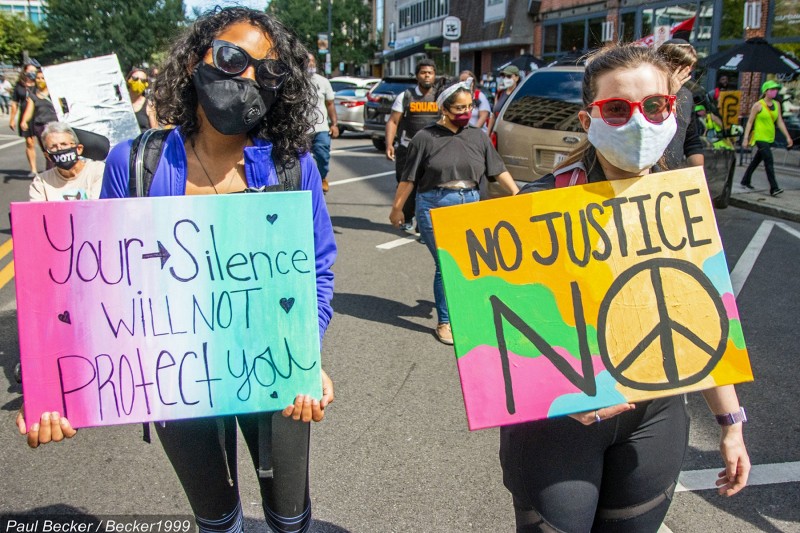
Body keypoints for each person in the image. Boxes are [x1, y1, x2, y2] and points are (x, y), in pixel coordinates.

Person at [17, 8, 337, 533]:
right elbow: (95, 286)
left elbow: (317, 272)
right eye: (233, 58)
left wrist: (307, 352)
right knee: (215, 518)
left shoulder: (290, 166)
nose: (249, 78)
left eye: (270, 72)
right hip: (172, 380)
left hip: (276, 373)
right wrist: (57, 386)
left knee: (290, 516)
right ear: (195, 62)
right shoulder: (134, 163)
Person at [509, 44, 750, 532]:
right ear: (587, 119)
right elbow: (501, 335)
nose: (639, 121)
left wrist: (731, 424)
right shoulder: (539, 204)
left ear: (671, 111)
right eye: (617, 109)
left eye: (654, 106)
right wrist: (562, 391)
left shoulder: (684, 204)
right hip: (558, 429)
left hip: (656, 421)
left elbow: (701, 322)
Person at [389, 80, 519, 344]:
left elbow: (497, 169)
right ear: (444, 110)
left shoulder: (477, 136)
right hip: (435, 205)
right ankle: (445, 322)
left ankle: (466, 314)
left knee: (470, 265)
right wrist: (397, 209)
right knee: (446, 265)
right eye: (459, 107)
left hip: (471, 202)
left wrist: (517, 195)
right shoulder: (425, 138)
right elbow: (408, 179)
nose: (466, 112)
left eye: (469, 106)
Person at [385, 59, 438, 232]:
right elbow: (393, 121)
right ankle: (407, 217)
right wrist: (389, 144)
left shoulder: (440, 97)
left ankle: (423, 226)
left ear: (434, 75)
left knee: (428, 187)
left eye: (430, 72)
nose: (427, 75)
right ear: (417, 76)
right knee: (405, 184)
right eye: (423, 72)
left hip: (433, 150)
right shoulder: (406, 96)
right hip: (408, 149)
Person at [741, 79, 794, 196]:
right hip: (760, 138)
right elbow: (750, 122)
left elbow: (779, 121)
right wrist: (745, 138)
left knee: (756, 160)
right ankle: (774, 188)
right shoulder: (758, 105)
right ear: (766, 91)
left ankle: (745, 180)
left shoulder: (777, 104)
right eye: (772, 90)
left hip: (770, 137)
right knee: (769, 161)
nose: (775, 92)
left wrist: (788, 137)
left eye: (776, 90)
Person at [657, 39, 704, 169]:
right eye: (681, 69)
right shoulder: (644, 91)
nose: (685, 75)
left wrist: (698, 176)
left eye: (689, 69)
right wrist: (666, 93)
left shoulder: (686, 95)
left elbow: (691, 139)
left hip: (671, 175)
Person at [29, 121, 105, 201]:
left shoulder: (98, 171)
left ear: (79, 149)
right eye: (53, 147)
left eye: (64, 144)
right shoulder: (41, 182)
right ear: (47, 156)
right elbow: (36, 211)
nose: (59, 149)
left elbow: (96, 207)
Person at [307, 53, 339, 193]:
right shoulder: (295, 80)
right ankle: (306, 183)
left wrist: (334, 124)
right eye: (307, 61)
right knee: (301, 160)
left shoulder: (323, 81)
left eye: (312, 61)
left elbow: (330, 103)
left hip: (321, 128)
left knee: (323, 156)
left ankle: (322, 177)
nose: (310, 64)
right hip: (301, 129)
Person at [20, 70, 59, 170]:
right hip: (41, 127)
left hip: (56, 126)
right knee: (48, 152)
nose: (40, 80)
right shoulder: (33, 95)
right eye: (38, 78)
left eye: (42, 78)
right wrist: (24, 121)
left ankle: (57, 171)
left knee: (57, 150)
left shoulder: (54, 93)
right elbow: (29, 110)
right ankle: (51, 174)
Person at [8, 64, 39, 177]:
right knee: (30, 143)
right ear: (25, 72)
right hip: (25, 117)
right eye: (30, 71)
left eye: (34, 71)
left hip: (39, 115)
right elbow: (15, 104)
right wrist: (12, 119)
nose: (33, 73)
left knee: (45, 143)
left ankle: (50, 167)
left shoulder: (39, 84)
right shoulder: (19, 86)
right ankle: (33, 169)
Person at [487, 65, 521, 135]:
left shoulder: (519, 95)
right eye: (504, 76)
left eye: (509, 76)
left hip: (510, 134)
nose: (506, 79)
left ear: (517, 78)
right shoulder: (500, 93)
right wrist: (488, 133)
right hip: (496, 132)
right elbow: (493, 115)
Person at [127, 67, 158, 132]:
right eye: (135, 78)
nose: (139, 82)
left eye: (143, 80)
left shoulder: (149, 105)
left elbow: (155, 131)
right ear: (128, 80)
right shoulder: (120, 103)